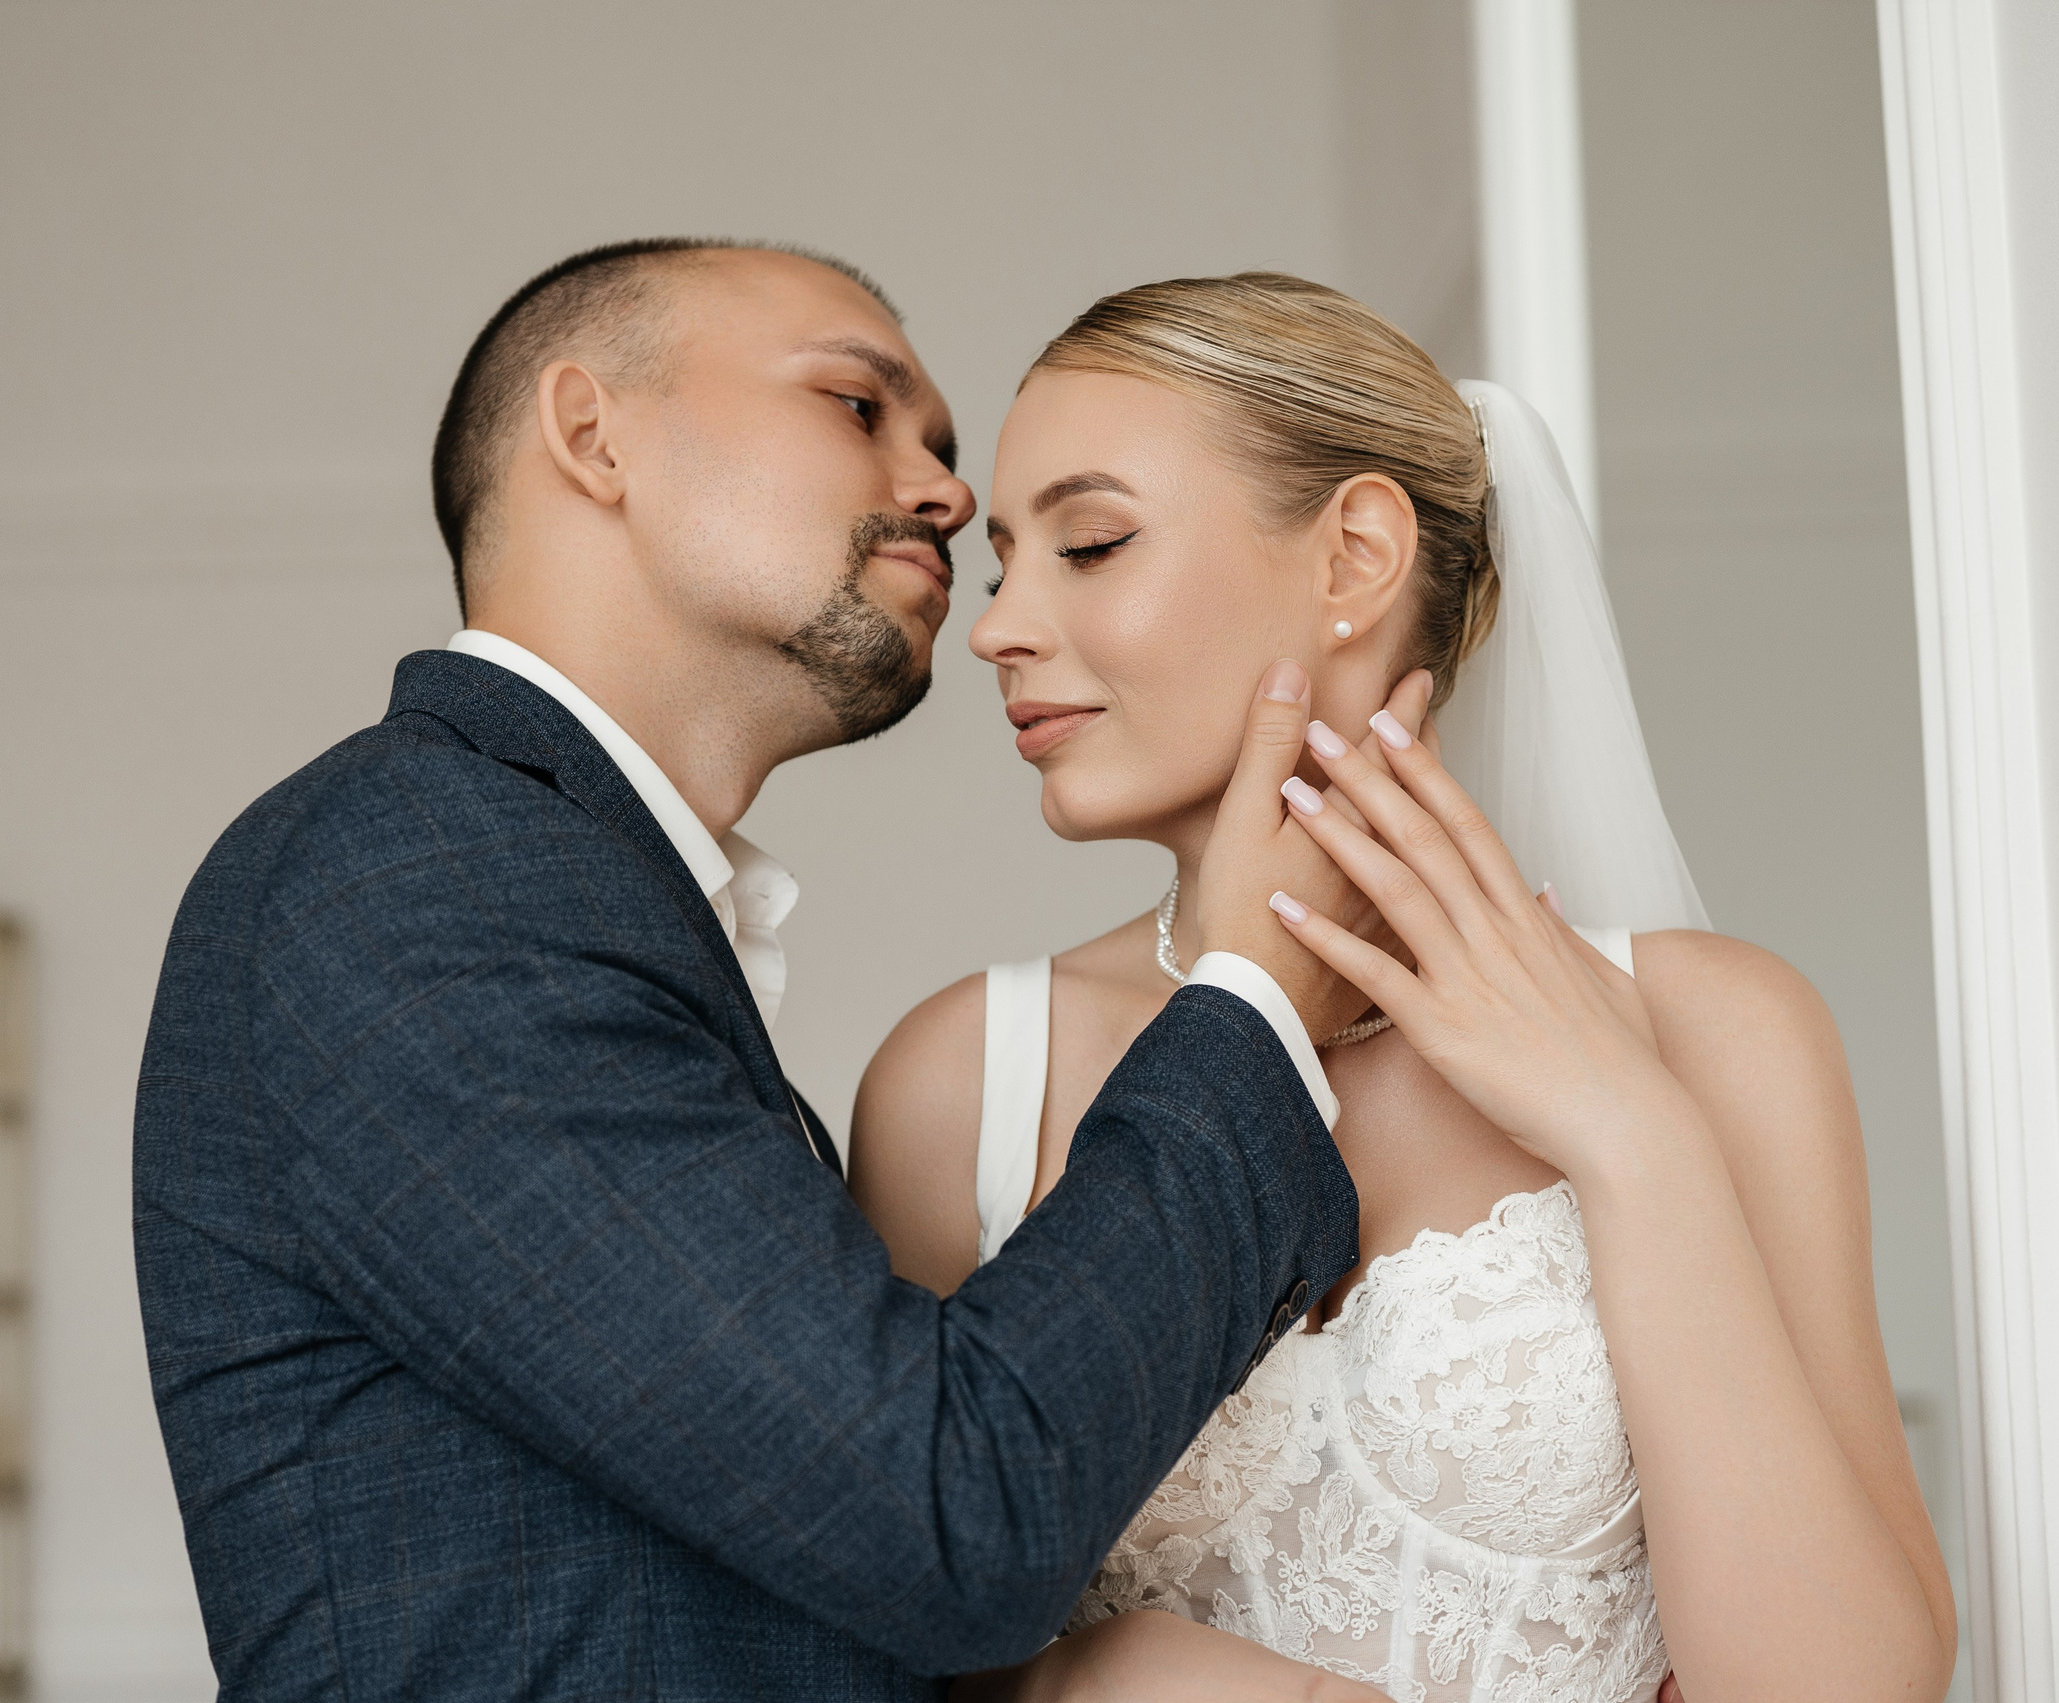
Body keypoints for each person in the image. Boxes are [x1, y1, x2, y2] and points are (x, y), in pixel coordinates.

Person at [133, 240, 1431, 1700]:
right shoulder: (425, 876)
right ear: (591, 433)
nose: (943, 491)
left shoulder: (554, 888)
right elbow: (949, 1518)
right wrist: (1254, 1002)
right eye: (860, 405)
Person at [850, 274, 1959, 1701]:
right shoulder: (968, 1081)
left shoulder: (1717, 1032)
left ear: (1356, 556)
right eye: (1008, 568)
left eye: (1094, 542)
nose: (1000, 631)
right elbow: (900, 1633)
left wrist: (1636, 1140)